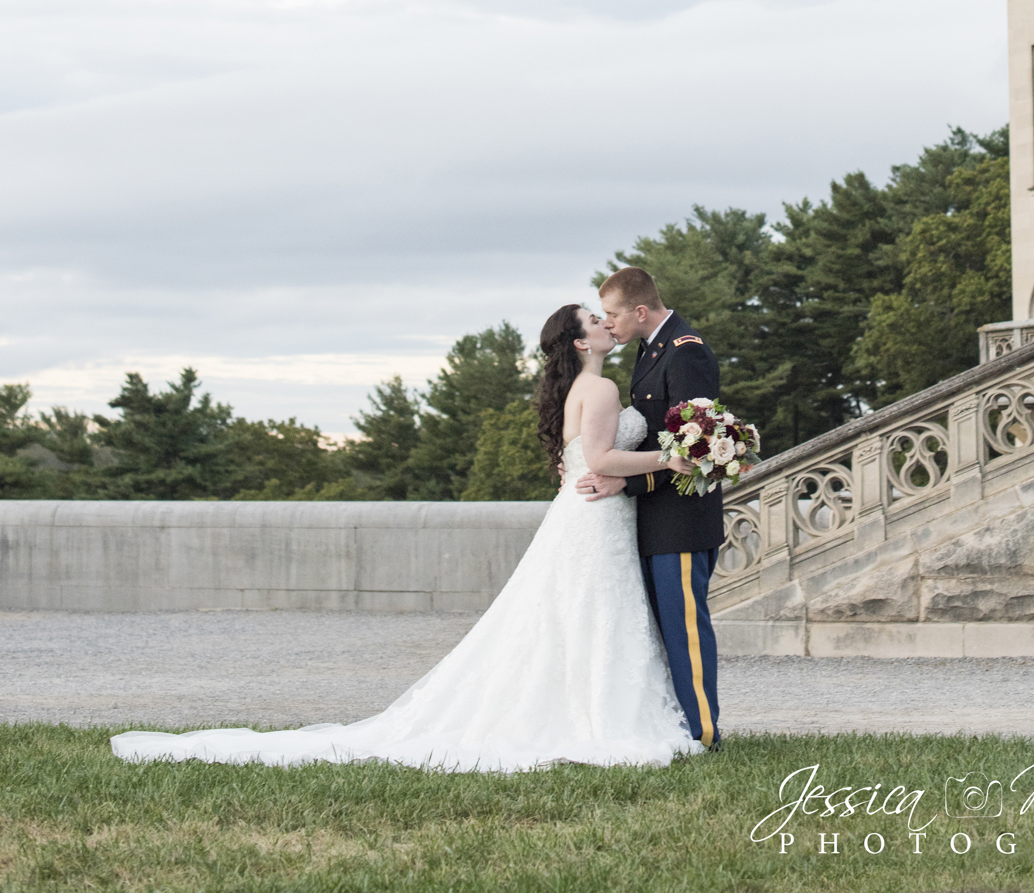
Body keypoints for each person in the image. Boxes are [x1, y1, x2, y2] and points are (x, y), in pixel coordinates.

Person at [111, 304, 698, 772]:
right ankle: (597, 717)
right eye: (595, 322)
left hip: (590, 513)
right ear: (579, 342)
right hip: (594, 522)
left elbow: (582, 463)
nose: (605, 324)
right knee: (591, 613)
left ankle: (587, 709)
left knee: (577, 616)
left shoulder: (583, 391)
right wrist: (673, 459)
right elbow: (600, 456)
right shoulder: (598, 391)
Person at [576, 266, 724, 752]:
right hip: (655, 516)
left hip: (681, 519)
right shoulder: (651, 349)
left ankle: (701, 732)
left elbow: (697, 449)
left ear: (640, 311)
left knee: (684, 630)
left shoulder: (686, 351)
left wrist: (629, 480)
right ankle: (675, 725)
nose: (609, 323)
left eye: (614, 314)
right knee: (663, 629)